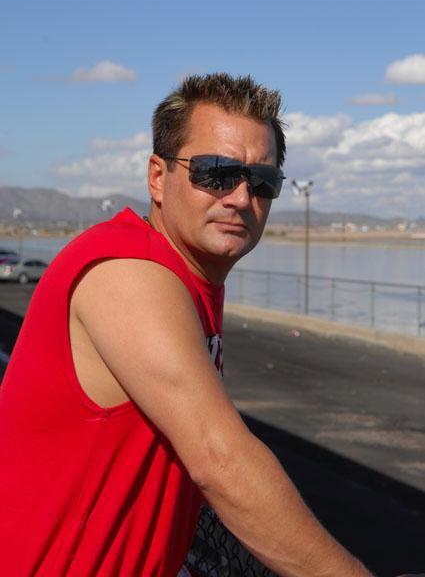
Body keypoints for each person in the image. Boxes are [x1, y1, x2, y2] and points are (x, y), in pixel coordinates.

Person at [0, 73, 376, 576]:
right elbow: (220, 461)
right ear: (158, 177)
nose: (240, 197)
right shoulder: (128, 269)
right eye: (216, 173)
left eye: (262, 181)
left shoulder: (190, 281)